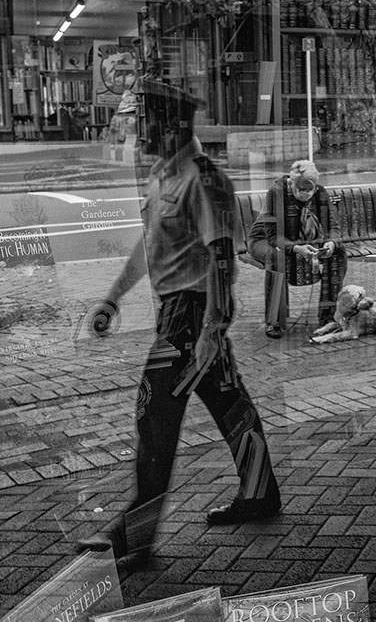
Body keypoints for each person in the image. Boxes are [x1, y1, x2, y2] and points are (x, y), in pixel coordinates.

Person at [76, 78, 282, 565]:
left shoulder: (201, 177)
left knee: (154, 418)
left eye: (143, 119)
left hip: (193, 315)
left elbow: (223, 261)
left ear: (168, 124)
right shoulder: (163, 174)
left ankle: (136, 534)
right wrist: (113, 298)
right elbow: (150, 246)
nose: (136, 130)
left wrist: (214, 329)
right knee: (231, 406)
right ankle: (260, 492)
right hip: (180, 310)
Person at [247, 159, 345, 338]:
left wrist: (331, 242)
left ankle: (328, 316)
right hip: (263, 240)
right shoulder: (276, 193)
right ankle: (274, 321)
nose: (307, 194)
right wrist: (296, 248)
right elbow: (274, 236)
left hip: (301, 241)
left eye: (310, 189)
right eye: (302, 190)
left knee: (339, 252)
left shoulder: (320, 193)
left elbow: (333, 226)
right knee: (276, 258)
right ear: (292, 183)